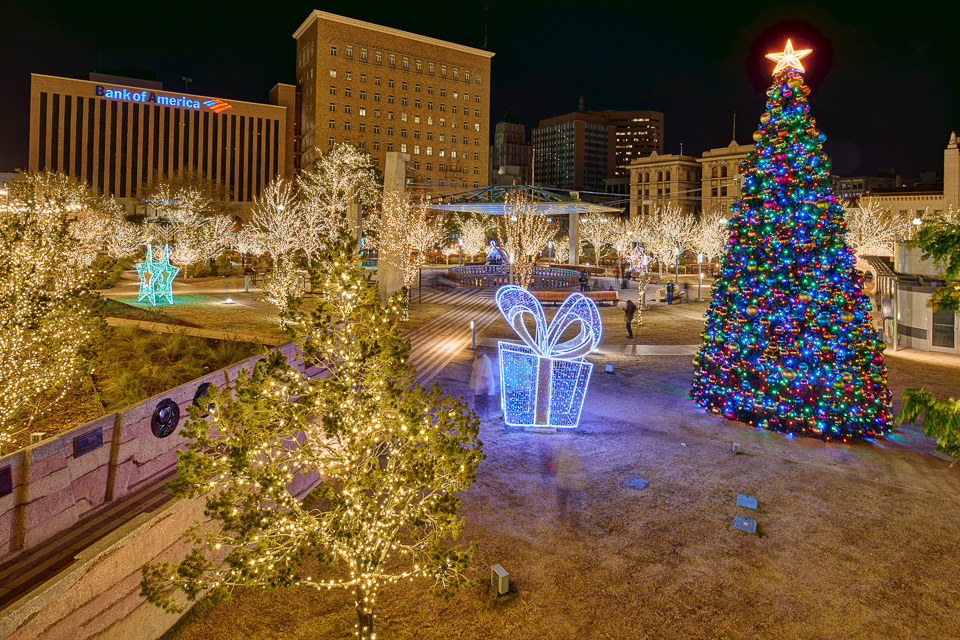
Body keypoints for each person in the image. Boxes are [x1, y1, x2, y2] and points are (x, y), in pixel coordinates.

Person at [469, 348, 498, 418]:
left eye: (478, 351)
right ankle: (478, 415)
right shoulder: (478, 359)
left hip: (483, 386)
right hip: (478, 385)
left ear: (482, 352)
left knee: (483, 401)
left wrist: (485, 386)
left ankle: (483, 416)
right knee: (478, 401)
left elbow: (487, 374)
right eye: (476, 351)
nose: (477, 353)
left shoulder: (485, 360)